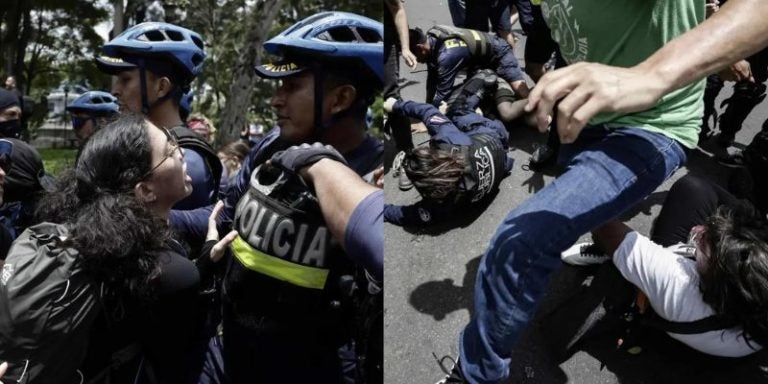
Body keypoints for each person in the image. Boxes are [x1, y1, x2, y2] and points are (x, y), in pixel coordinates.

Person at [434, 0, 723, 382]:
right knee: (593, 207)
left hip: (655, 124)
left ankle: (476, 376)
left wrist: (656, 73)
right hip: (589, 116)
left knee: (520, 242)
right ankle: (608, 247)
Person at [184, 11, 385, 382]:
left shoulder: (376, 177)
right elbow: (222, 215)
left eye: (290, 86)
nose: (275, 100)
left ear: (341, 98)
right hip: (226, 355)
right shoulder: (273, 146)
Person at [32, 114, 235, 383]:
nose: (182, 153)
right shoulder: (170, 271)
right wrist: (203, 283)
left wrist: (202, 263)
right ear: (146, 191)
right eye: (170, 150)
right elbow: (184, 363)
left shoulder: (89, 242)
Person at [565, 174, 767, 357]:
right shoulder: (754, 303)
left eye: (703, 240)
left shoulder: (678, 282)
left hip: (680, 312)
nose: (698, 229)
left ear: (715, 281)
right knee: (744, 213)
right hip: (723, 340)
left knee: (692, 187)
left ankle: (616, 261)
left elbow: (602, 225)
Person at [95, 21, 222, 210]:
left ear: (161, 87)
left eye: (125, 80)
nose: (115, 91)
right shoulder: (145, 148)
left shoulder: (185, 164)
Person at [383, 73, 515, 227]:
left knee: (455, 113)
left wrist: (378, 209)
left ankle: (483, 97)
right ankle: (481, 99)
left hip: (499, 159)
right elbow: (428, 111)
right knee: (455, 112)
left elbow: (404, 215)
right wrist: (395, 105)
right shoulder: (452, 142)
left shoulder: (439, 206)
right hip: (495, 139)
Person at [408, 25, 530, 123]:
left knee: (522, 92)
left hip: (499, 55)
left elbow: (442, 92)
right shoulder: (431, 40)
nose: (417, 61)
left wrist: (429, 118)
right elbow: (432, 81)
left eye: (415, 57)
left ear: (420, 48)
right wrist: (426, 108)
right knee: (473, 99)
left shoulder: (447, 55)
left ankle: (543, 103)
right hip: (479, 64)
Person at [384, 0, 418, 191]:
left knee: (391, 97)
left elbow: (397, 8)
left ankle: (407, 154)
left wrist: (405, 48)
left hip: (383, 41)